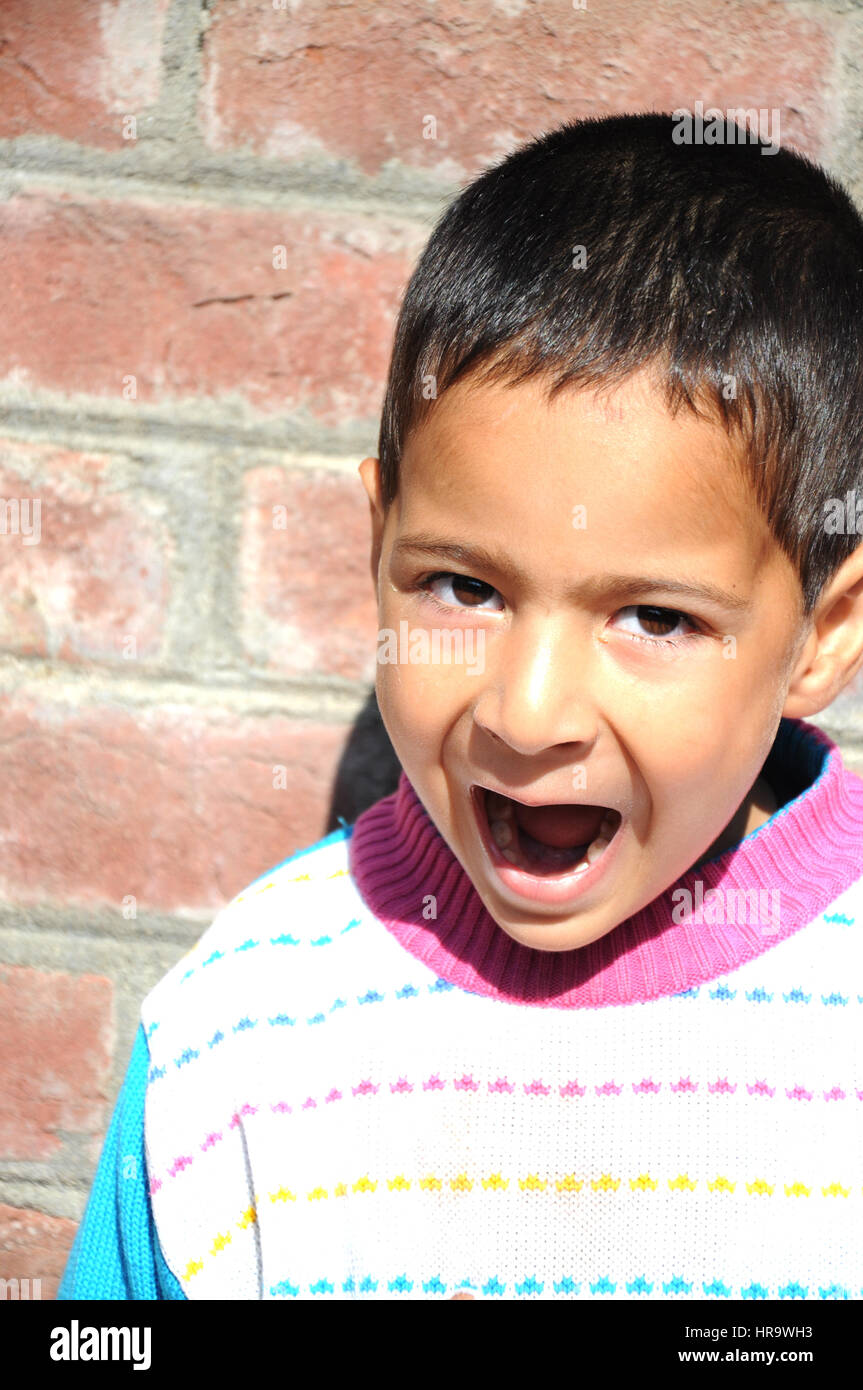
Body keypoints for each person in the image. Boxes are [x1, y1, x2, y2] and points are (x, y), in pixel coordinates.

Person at [59, 112, 863, 1301]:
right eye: (465, 587)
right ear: (376, 539)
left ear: (820, 635)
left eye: (653, 618)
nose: (528, 713)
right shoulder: (240, 1027)